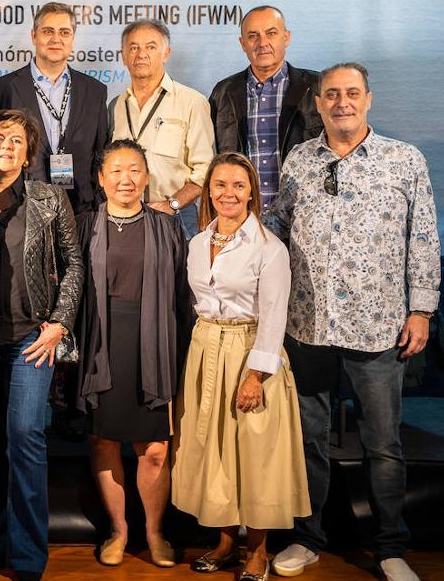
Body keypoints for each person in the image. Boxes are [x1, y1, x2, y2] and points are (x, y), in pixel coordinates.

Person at [266, 63, 439, 581]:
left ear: (369, 99)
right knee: (306, 439)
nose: (342, 102)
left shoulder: (403, 160)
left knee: (383, 443)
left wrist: (421, 309)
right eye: (332, 94)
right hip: (308, 325)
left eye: (352, 93)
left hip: (379, 327)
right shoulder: (298, 159)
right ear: (317, 103)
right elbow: (279, 222)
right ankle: (306, 537)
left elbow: (424, 239)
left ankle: (390, 547)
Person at [172, 152, 309, 581]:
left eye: (238, 185)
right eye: (220, 185)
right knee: (213, 449)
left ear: (252, 192)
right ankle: (227, 542)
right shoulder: (196, 243)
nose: (228, 193)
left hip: (250, 351)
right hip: (205, 347)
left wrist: (256, 376)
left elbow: (273, 317)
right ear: (208, 191)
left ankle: (259, 549)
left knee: (255, 453)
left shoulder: (270, 248)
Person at [0, 109, 83, 581]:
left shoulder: (50, 198)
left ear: (29, 152)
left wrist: (59, 322)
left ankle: (29, 556)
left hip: (32, 339)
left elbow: (73, 264)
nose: (8, 146)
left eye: (17, 141)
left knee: (26, 437)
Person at [77, 139, 192, 568]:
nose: (126, 179)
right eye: (116, 171)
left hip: (156, 342)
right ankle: (119, 531)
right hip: (101, 342)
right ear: (101, 179)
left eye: (135, 170)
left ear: (146, 177)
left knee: (156, 449)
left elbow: (184, 295)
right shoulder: (85, 223)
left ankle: (154, 532)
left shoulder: (167, 226)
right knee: (105, 442)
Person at [0, 2, 109, 217]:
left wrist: (96, 200)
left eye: (64, 32)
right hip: (22, 209)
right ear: (33, 36)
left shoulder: (95, 91)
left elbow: (100, 153)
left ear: (72, 39)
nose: (56, 39)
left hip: (82, 210)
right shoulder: (3, 88)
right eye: (48, 31)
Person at [209, 6, 322, 211]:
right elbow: (212, 158)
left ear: (286, 37)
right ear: (242, 44)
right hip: (242, 219)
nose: (263, 43)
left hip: (302, 217)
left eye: (271, 33)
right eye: (253, 36)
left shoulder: (317, 87)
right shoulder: (223, 92)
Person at [108, 19, 213, 235]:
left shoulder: (192, 102)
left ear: (166, 54)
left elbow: (205, 170)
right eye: (134, 47)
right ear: (123, 56)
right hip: (125, 217)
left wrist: (172, 205)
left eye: (151, 47)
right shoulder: (115, 106)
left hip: (177, 216)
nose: (141, 54)